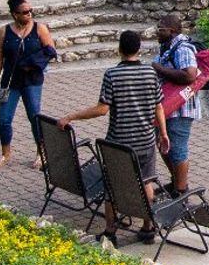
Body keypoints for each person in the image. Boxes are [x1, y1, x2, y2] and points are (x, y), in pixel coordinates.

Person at [57, 30, 169, 245]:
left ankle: (110, 231)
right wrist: (163, 133)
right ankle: (147, 228)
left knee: (111, 184)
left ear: (119, 49)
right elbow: (159, 107)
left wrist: (71, 116)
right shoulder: (150, 73)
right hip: (146, 140)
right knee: (147, 180)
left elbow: (102, 109)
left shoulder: (112, 75)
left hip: (119, 144)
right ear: (139, 49)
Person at [0, 0, 55, 170]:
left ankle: (41, 153)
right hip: (10, 82)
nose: (29, 14)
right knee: (4, 119)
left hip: (32, 81)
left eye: (30, 11)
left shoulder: (40, 29)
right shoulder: (4, 32)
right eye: (24, 12)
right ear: (14, 14)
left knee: (34, 117)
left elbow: (50, 50)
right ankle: (5, 154)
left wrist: (34, 63)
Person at [150, 13, 202, 196]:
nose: (157, 32)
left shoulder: (183, 49)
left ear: (171, 31)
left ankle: (181, 191)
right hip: (168, 109)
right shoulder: (168, 47)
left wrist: (159, 69)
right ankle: (176, 183)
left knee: (178, 148)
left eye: (160, 29)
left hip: (180, 109)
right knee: (164, 145)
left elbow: (190, 75)